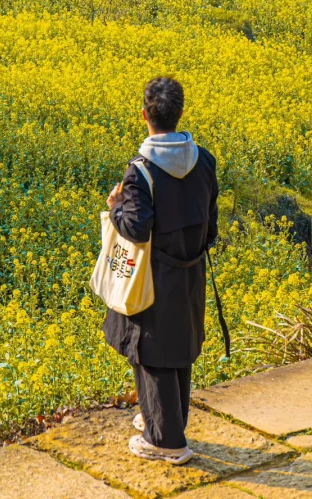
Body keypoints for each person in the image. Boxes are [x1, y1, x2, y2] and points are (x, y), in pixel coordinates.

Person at [102, 76, 219, 465]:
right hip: (190, 270)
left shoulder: (142, 170)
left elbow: (136, 228)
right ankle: (165, 419)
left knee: (151, 350)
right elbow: (211, 224)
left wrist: (116, 206)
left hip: (156, 273)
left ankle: (167, 442)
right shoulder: (204, 160)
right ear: (180, 113)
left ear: (144, 115)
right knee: (178, 347)